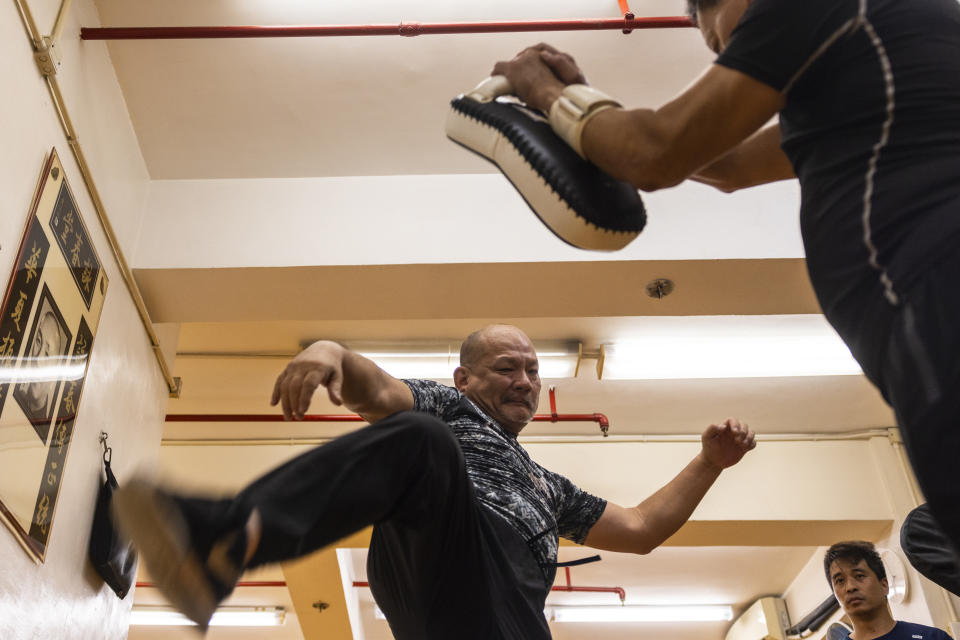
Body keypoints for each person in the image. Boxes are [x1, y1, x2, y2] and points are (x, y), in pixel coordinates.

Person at [491, 0, 960, 558]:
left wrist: (544, 93)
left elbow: (659, 153)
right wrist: (589, 111)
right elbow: (726, 166)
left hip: (934, 295)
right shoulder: (864, 74)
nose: (723, 54)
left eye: (717, 43)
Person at [114, 324, 756, 638]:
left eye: (533, 371)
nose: (526, 381)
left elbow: (641, 529)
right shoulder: (447, 410)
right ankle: (227, 544)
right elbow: (381, 391)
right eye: (508, 367)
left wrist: (710, 464)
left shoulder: (550, 488)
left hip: (505, 611)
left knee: (425, 448)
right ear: (464, 380)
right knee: (421, 440)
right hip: (434, 567)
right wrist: (333, 352)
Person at [825, 541, 953, 640]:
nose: (850, 587)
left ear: (884, 585)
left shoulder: (932, 637)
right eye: (840, 581)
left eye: (859, 576)